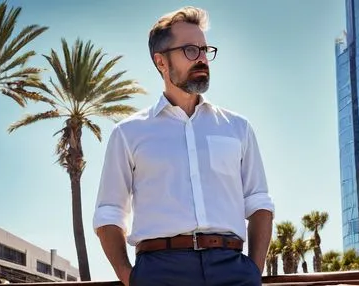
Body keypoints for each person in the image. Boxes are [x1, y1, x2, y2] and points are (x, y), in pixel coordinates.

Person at [93, 6, 275, 286]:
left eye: (205, 50)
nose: (202, 58)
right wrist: (131, 277)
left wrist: (253, 270)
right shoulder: (128, 133)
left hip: (233, 270)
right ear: (161, 62)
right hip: (160, 271)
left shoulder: (237, 128)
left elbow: (259, 203)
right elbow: (109, 214)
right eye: (191, 50)